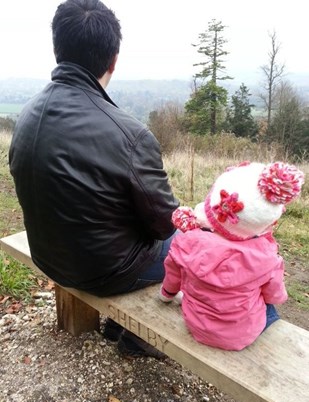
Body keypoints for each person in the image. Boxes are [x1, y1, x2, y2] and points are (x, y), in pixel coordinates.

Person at [9, 0, 179, 358]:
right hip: (101, 271)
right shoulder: (130, 135)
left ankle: (120, 322)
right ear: (113, 59)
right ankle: (137, 337)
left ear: (58, 49)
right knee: (187, 242)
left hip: (48, 255)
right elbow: (165, 225)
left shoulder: (26, 115)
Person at [159, 161, 304, 350]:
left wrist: (166, 295)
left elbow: (172, 278)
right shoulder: (267, 256)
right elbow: (274, 295)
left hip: (196, 324)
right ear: (266, 223)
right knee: (270, 310)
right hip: (244, 334)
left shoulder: (186, 242)